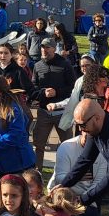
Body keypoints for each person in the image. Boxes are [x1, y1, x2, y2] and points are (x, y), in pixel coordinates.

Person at [29, 37, 75, 167]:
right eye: (42, 47)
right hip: (44, 112)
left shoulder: (65, 64)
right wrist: (43, 92)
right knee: (39, 144)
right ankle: (37, 173)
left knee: (68, 145)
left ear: (54, 49)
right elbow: (34, 87)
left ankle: (69, 172)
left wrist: (57, 92)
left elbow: (73, 86)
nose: (44, 50)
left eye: (47, 47)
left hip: (62, 113)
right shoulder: (37, 66)